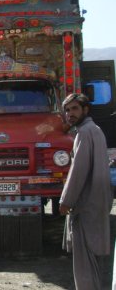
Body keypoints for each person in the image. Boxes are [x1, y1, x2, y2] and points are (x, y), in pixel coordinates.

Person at [59, 93, 112, 290]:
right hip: (97, 203)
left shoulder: (84, 133)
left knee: (84, 261)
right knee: (94, 258)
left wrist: (66, 201)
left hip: (86, 205)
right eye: (67, 110)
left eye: (74, 109)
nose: (70, 114)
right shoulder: (95, 130)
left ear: (85, 110)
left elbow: (78, 171)